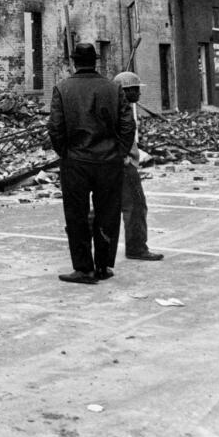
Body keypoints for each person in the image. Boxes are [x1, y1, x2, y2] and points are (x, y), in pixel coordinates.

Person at [47, 43, 135, 284]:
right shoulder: (113, 88)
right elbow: (128, 125)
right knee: (107, 213)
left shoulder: (62, 89)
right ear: (96, 61)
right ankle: (103, 266)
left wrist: (65, 152)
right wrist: (119, 151)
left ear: (74, 62)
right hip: (108, 161)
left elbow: (55, 127)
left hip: (76, 161)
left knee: (76, 215)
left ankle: (83, 269)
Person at [113, 71, 163, 262]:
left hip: (113, 164)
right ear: (125, 91)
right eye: (136, 89)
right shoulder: (122, 111)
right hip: (125, 165)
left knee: (105, 206)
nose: (139, 94)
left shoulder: (112, 108)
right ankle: (136, 247)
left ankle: (81, 232)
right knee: (136, 207)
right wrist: (124, 158)